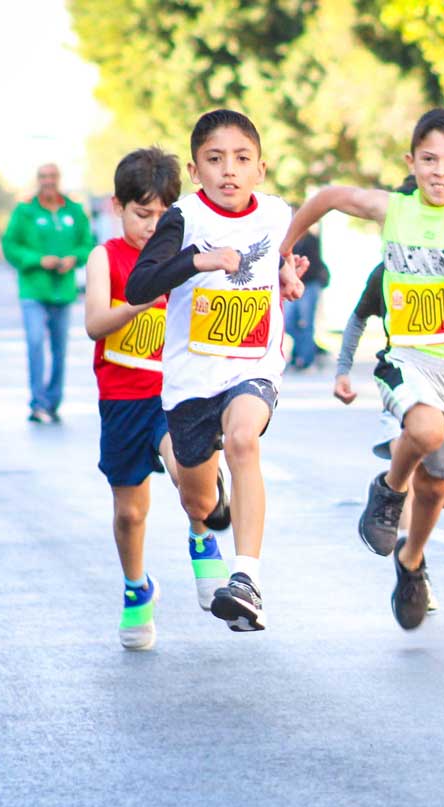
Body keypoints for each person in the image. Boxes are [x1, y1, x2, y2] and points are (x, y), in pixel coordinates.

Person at [281, 107, 444, 631]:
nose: (440, 171)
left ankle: (412, 561)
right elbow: (330, 197)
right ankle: (387, 491)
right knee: (424, 428)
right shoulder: (394, 209)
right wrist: (281, 249)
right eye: (429, 159)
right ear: (411, 162)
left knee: (441, 489)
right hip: (406, 359)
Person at [126, 109, 305, 633]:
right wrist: (197, 262)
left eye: (242, 160)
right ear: (195, 168)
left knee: (245, 438)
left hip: (252, 367)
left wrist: (288, 276)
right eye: (215, 160)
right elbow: (141, 286)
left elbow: (280, 260)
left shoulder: (276, 215)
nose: (229, 170)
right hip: (190, 383)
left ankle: (245, 579)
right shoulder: (184, 219)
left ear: (261, 170)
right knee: (197, 498)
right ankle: (203, 527)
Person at [85, 147, 232, 650]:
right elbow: (94, 324)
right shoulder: (106, 257)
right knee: (131, 513)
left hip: (172, 394)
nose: (150, 226)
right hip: (121, 400)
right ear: (117, 207)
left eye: (161, 215)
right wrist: (139, 301)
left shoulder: (184, 255)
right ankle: (136, 590)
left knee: (184, 471)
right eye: (140, 214)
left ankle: (201, 536)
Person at [2, 163, 95, 423]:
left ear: (59, 179)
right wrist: (37, 260)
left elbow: (87, 244)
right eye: (43, 177)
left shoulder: (73, 211)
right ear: (38, 179)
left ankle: (53, 402)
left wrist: (74, 259)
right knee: (34, 342)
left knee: (59, 348)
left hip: (63, 291)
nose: (48, 182)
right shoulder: (25, 211)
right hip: (34, 289)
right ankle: (37, 402)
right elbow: (10, 245)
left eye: (52, 177)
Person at [285, 225, 330, 370]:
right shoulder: (290, 241)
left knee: (307, 322)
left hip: (309, 285)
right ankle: (310, 347)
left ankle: (306, 359)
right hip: (293, 284)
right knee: (288, 322)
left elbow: (313, 264)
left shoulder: (311, 240)